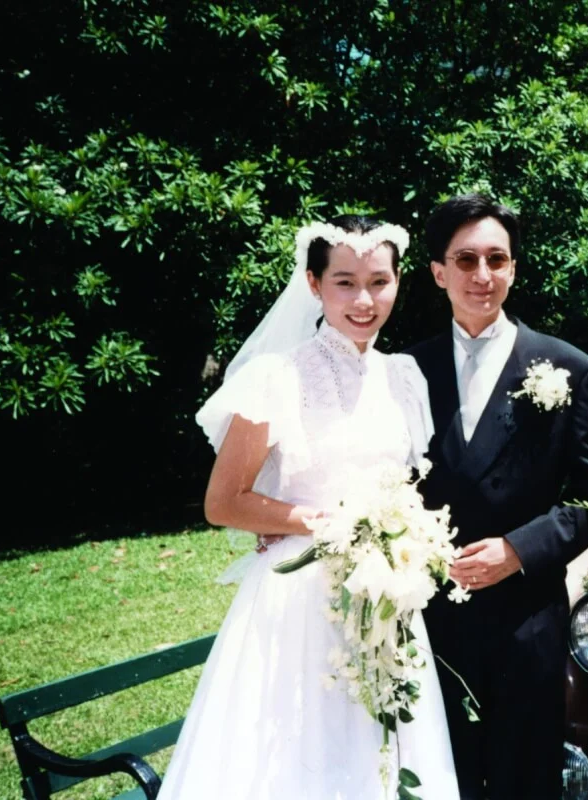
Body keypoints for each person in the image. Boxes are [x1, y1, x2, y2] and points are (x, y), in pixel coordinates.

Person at [158, 216, 460, 800]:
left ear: (399, 283)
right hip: (297, 603)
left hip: (385, 597)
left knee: (382, 749)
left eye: (379, 282)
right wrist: (312, 522)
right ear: (314, 284)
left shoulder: (403, 377)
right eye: (345, 283)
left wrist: (403, 536)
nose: (364, 300)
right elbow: (223, 502)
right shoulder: (275, 377)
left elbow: (405, 486)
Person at [406, 194, 588, 799]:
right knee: (441, 779)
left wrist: (518, 550)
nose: (482, 275)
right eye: (465, 260)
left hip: (526, 618)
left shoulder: (571, 369)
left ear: (514, 269)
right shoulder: (404, 372)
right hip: (429, 618)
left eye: (496, 259)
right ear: (438, 272)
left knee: (524, 780)